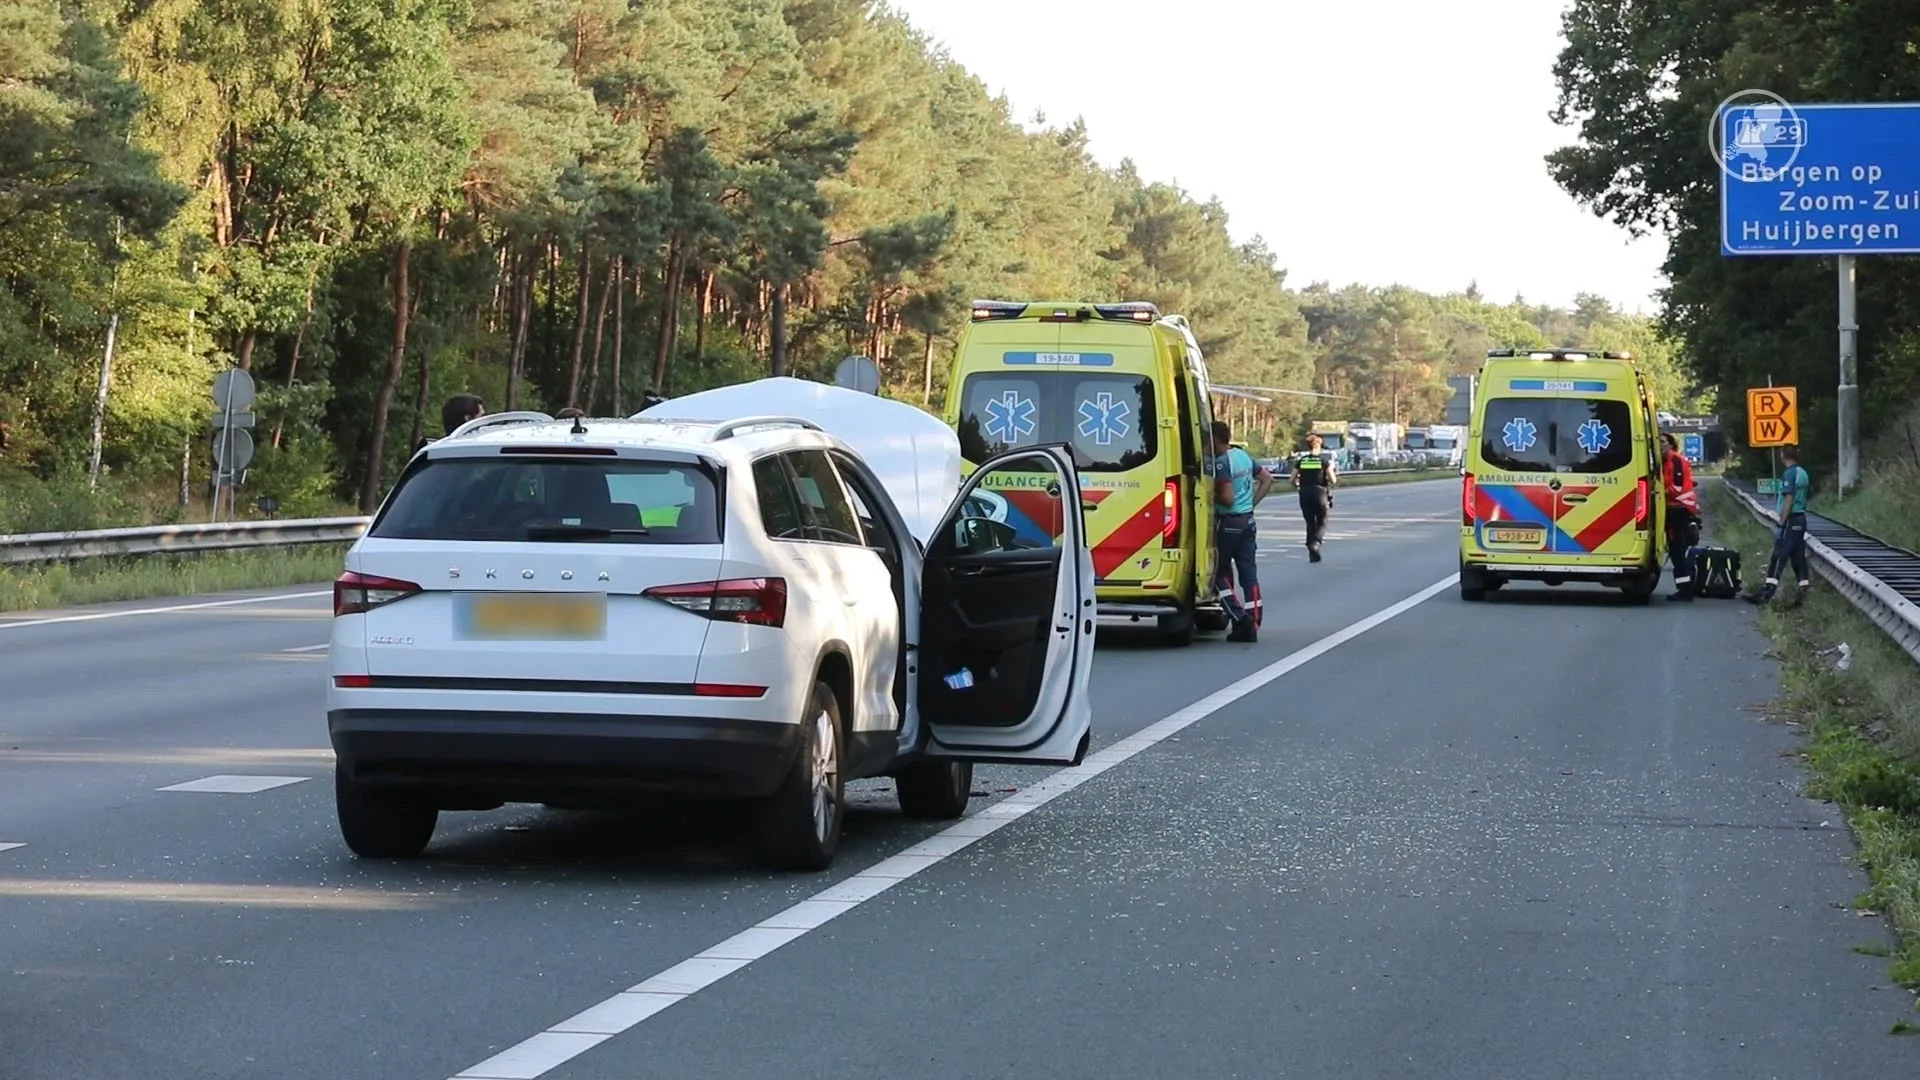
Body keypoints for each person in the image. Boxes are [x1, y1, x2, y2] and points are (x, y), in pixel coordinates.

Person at [1209, 420, 1274, 642]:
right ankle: (1253, 622)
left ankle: (1238, 617)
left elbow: (1227, 499)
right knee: (1248, 574)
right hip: (1247, 520)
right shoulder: (1242, 456)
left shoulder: (1221, 463)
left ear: (1214, 438)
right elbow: (1267, 479)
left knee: (1217, 572)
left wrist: (1207, 495)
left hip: (1228, 523)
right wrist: (1251, 504)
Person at [1746, 448, 1813, 606]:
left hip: (1791, 519)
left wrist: (1782, 519)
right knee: (1798, 557)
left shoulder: (1789, 474)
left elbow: (1789, 497)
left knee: (1778, 556)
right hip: (1801, 519)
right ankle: (1804, 591)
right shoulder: (1803, 472)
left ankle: (1767, 593)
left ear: (1782, 455)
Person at [1660, 433, 1701, 602]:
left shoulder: (1675, 460)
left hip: (1679, 508)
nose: (1659, 445)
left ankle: (1685, 589)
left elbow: (1677, 487)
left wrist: (1657, 492)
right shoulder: (1663, 461)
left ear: (1670, 444)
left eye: (1662, 442)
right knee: (1675, 549)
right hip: (1673, 508)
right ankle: (1684, 587)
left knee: (1677, 549)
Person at [1290, 431, 1339, 562]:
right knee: (1322, 521)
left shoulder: (1301, 461)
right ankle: (1316, 543)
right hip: (1320, 493)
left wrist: (1299, 488)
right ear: (1318, 446)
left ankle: (1311, 550)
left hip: (1304, 493)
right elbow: (1333, 480)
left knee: (1310, 522)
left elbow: (1292, 479)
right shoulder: (1323, 461)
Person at [417, 394, 485, 453]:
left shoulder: (431, 452)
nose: (483, 422)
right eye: (480, 417)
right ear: (468, 419)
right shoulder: (481, 452)